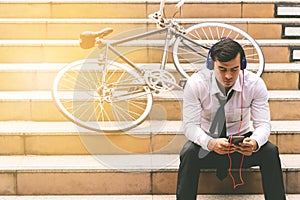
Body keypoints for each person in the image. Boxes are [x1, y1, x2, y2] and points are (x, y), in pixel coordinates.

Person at [176, 38, 286, 200]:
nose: (228, 76)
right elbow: (190, 126)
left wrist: (255, 142)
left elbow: (263, 124)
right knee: (189, 153)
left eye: (234, 69)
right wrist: (210, 143)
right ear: (210, 65)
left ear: (242, 65)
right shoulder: (196, 84)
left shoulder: (254, 84)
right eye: (222, 69)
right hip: (208, 143)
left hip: (241, 144)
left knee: (270, 151)